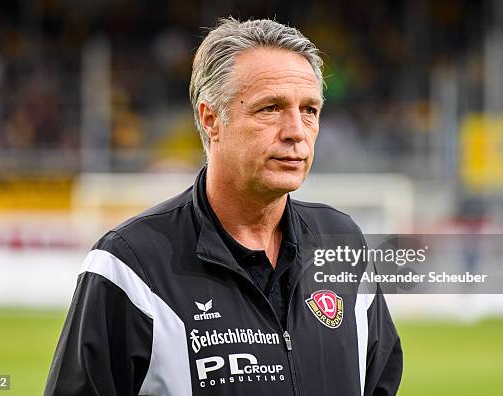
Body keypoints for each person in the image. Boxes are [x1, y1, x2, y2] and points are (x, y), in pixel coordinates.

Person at [45, 17, 402, 396]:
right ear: (211, 119)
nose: (296, 131)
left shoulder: (342, 244)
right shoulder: (130, 265)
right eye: (270, 108)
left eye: (309, 110)